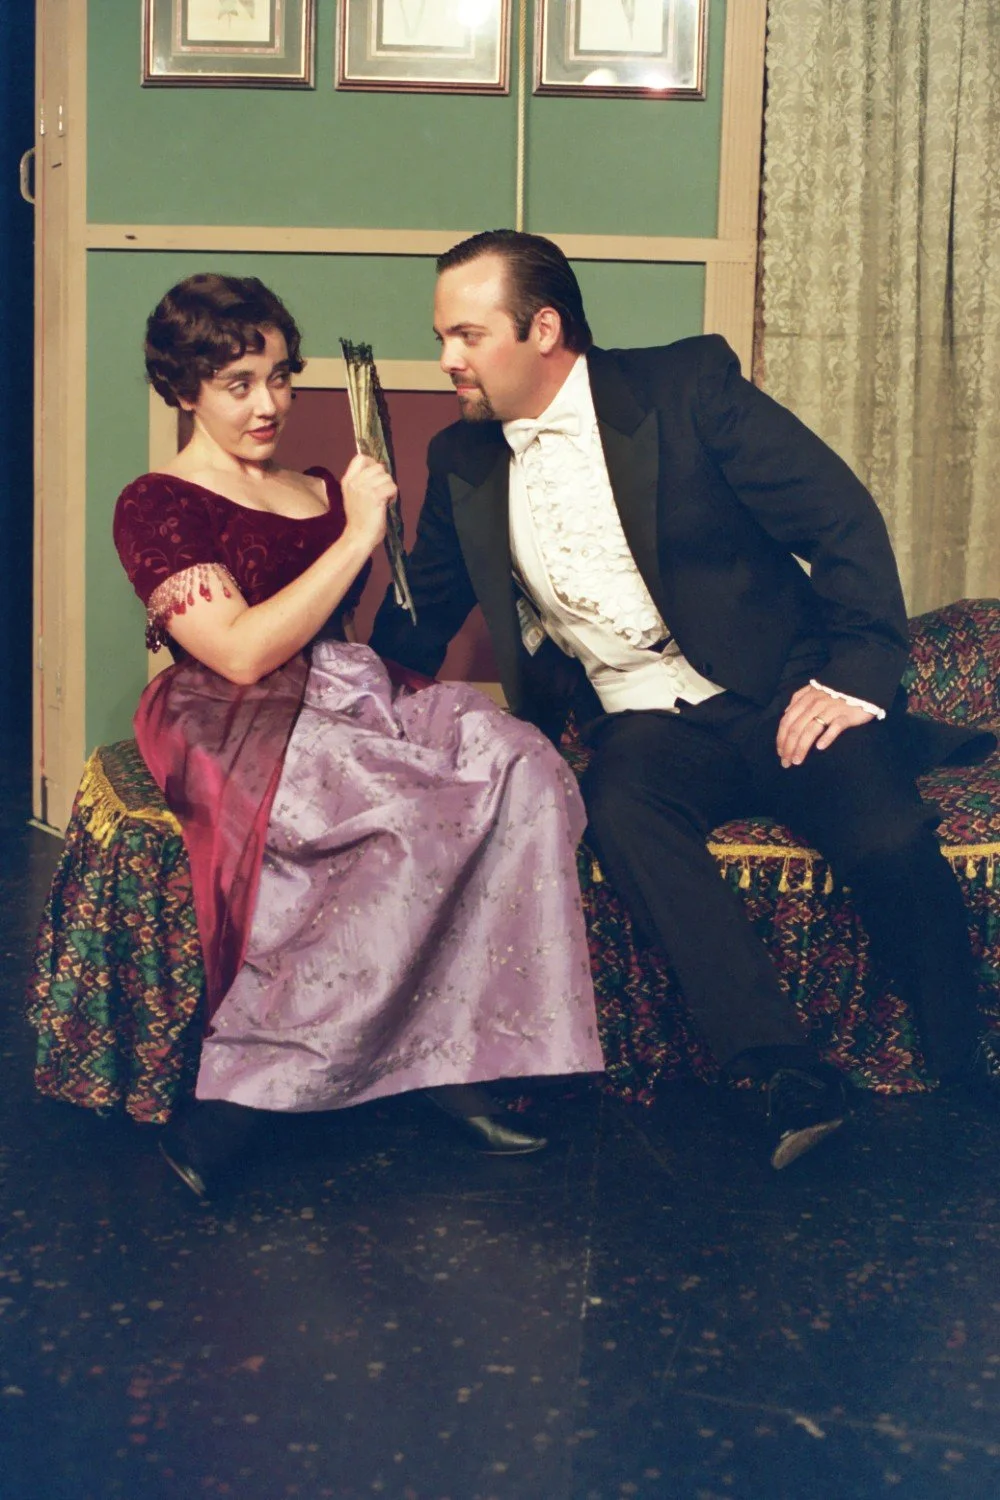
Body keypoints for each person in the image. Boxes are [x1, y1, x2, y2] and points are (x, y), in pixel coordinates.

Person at [370, 229, 1000, 1170]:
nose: (447, 359)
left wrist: (855, 681)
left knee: (882, 833)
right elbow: (420, 623)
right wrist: (343, 689)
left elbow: (839, 519)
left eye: (467, 334)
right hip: (642, 721)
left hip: (778, 687)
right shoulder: (462, 461)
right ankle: (784, 1071)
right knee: (621, 813)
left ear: (543, 329)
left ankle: (965, 1062)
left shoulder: (684, 390)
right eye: (442, 335)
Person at [112, 272, 604, 1196]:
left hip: (345, 684)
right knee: (413, 813)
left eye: (281, 376)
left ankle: (460, 1062)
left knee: (526, 768)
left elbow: (365, 628)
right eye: (238, 384)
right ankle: (241, 1101)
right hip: (233, 712)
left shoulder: (320, 485)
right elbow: (245, 652)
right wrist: (356, 534)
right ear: (184, 392)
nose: (269, 404)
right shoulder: (157, 503)